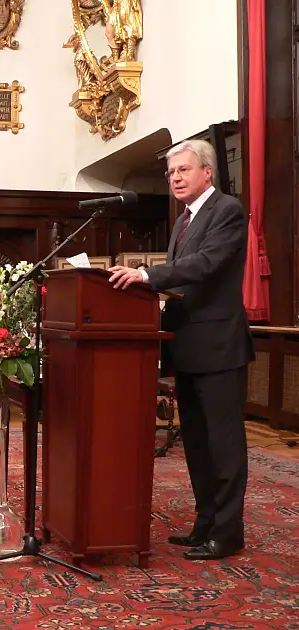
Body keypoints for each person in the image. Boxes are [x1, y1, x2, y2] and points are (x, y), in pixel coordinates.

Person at [108, 139, 254, 560]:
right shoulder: (183, 220)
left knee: (223, 446)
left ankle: (227, 533)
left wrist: (146, 275)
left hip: (219, 347)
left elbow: (206, 264)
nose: (174, 178)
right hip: (188, 346)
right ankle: (205, 524)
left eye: (183, 171)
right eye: (171, 173)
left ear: (207, 172)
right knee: (196, 443)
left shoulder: (226, 210)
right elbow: (179, 282)